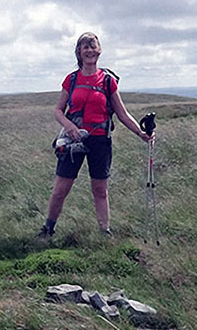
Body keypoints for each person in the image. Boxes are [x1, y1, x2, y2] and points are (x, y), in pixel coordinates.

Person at [38, 32, 154, 238]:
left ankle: (104, 232)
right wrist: (69, 126)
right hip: (73, 140)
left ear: (99, 51)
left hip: (101, 140)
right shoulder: (71, 79)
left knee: (100, 190)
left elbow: (122, 113)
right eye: (85, 47)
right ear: (79, 53)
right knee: (60, 189)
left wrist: (140, 133)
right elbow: (58, 110)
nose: (90, 50)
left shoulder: (108, 81)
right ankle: (48, 228)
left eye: (93, 46)